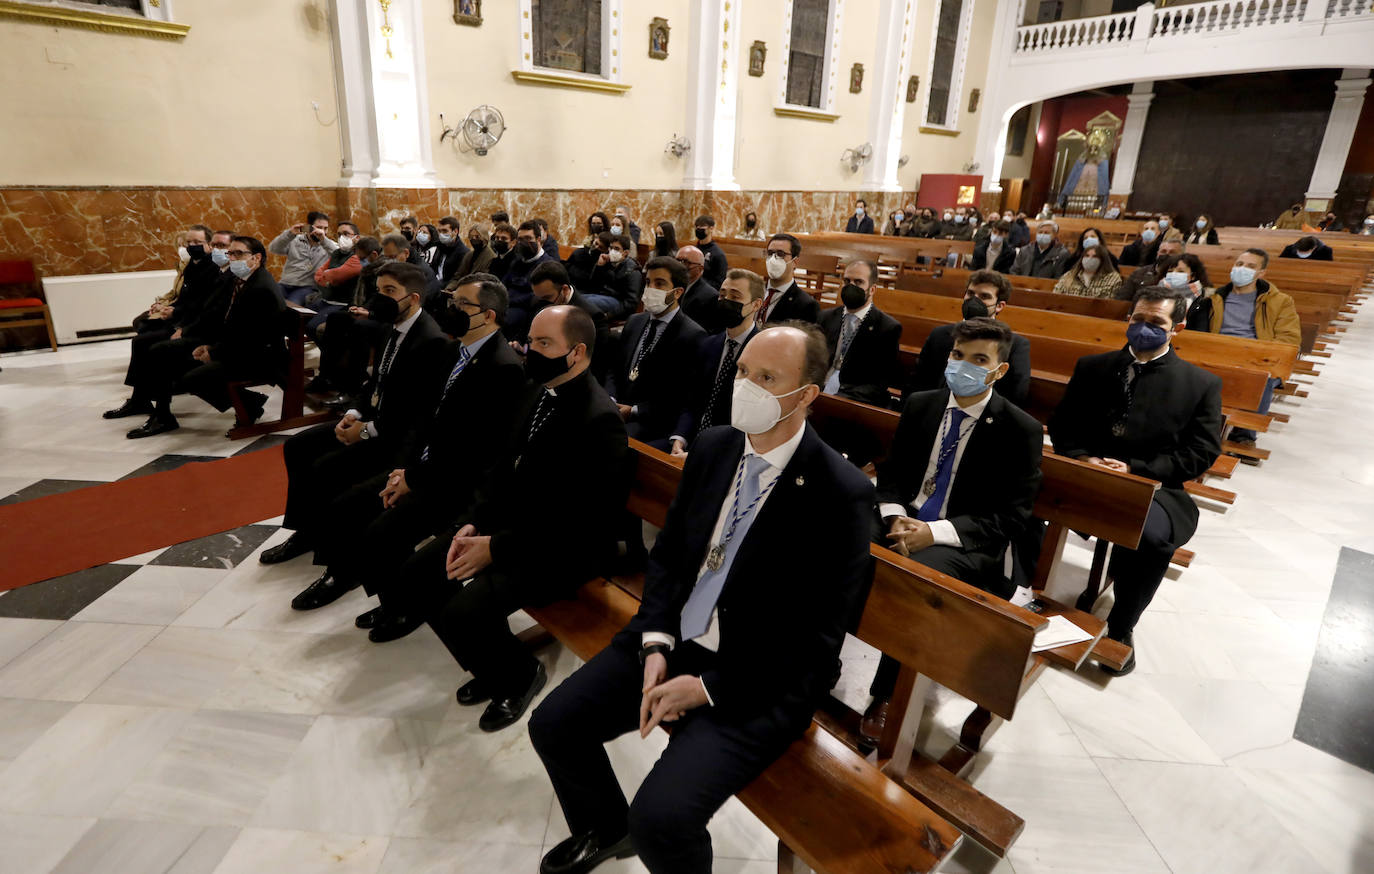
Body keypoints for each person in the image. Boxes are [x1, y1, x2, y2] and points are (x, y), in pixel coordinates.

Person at [529, 323, 873, 874]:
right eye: (743, 372)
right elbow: (669, 555)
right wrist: (656, 641)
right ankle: (603, 825)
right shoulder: (716, 447)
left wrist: (710, 688)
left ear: (807, 395)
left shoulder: (841, 493)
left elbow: (817, 638)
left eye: (767, 378)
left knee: (662, 819)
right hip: (679, 636)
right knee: (554, 725)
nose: (747, 386)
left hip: (758, 674)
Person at [399, 305, 630, 733]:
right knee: (418, 575)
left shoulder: (599, 420)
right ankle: (492, 668)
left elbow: (581, 520)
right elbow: (500, 467)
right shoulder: (537, 389)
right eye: (532, 340)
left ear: (576, 352)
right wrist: (473, 523)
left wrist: (496, 548)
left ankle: (519, 676)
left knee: (464, 612)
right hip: (510, 529)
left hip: (564, 549)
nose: (532, 350)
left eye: (545, 344)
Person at [861, 317, 1043, 742]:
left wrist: (934, 532)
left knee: (916, 577)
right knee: (841, 542)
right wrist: (892, 515)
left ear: (999, 370)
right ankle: (817, 656)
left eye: (979, 359)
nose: (963, 366)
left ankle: (887, 694)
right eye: (958, 355)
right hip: (903, 517)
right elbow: (892, 475)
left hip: (964, 540)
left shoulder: (1020, 429)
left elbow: (1011, 516)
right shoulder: (922, 404)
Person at [332, 274, 529, 642]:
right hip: (425, 467)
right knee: (353, 506)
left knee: (382, 530)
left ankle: (407, 606)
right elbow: (424, 418)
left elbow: (477, 451)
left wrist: (415, 479)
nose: (451, 310)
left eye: (461, 305)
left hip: (457, 482)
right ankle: (394, 598)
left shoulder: (503, 368)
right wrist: (401, 470)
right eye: (452, 302)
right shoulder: (454, 351)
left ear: (487, 315)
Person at [1049, 287, 1223, 675]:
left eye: (1156, 323)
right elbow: (1063, 425)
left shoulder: (1200, 384)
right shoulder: (1093, 367)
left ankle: (1123, 625)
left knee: (1151, 537)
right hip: (1086, 473)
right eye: (1138, 320)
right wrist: (1083, 458)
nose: (1144, 328)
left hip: (1153, 485)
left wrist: (1137, 471)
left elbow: (1201, 453)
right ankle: (1026, 595)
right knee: (1022, 498)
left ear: (1177, 327)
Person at [260, 261, 448, 598]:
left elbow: (417, 414)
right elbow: (375, 380)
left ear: (414, 298)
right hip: (373, 418)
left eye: (390, 291)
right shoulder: (395, 324)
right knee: (298, 447)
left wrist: (365, 431)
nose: (381, 298)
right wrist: (353, 412)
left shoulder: (430, 340)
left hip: (397, 438)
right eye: (379, 290)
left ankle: (341, 569)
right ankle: (307, 530)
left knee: (328, 469)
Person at [126, 236, 286, 438]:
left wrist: (215, 351)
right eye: (231, 253)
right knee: (169, 357)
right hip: (244, 349)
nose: (232, 258)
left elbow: (253, 338)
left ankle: (248, 403)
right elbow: (234, 327)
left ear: (256, 258)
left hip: (260, 357)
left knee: (190, 376)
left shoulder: (260, 288)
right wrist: (211, 347)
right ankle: (164, 414)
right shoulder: (247, 280)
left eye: (238, 253)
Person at [106, 226, 233, 420]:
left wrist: (183, 327)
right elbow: (188, 299)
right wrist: (170, 308)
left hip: (202, 331)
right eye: (188, 242)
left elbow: (208, 310)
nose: (191, 246)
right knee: (141, 340)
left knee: (157, 348)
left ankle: (162, 414)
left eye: (197, 242)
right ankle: (140, 400)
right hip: (191, 323)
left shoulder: (220, 271)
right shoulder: (196, 266)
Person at [1185, 248, 1299, 445]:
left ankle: (1244, 435)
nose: (1242, 269)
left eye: (1250, 266)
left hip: (1256, 358)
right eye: (1239, 264)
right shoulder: (1214, 298)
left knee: (1261, 377)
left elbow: (1288, 339)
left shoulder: (1280, 301)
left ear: (1261, 273)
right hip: (1217, 352)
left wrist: (1257, 357)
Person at [606, 256, 706, 448]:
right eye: (648, 282)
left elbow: (681, 396)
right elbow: (614, 368)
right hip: (616, 409)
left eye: (659, 284)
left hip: (652, 421)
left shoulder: (693, 335)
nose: (651, 289)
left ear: (677, 292)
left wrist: (634, 410)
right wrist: (610, 398)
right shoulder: (635, 321)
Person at [670, 268, 766, 455]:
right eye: (722, 295)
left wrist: (703, 453)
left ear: (755, 305)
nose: (725, 301)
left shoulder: (762, 352)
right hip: (691, 439)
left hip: (727, 449)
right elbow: (692, 400)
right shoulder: (708, 343)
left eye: (735, 297)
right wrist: (679, 438)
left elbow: (749, 421)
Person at [908, 270, 1031, 408]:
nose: (974, 300)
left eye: (984, 296)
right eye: (970, 294)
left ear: (999, 306)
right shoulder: (939, 335)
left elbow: (1015, 395)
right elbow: (917, 382)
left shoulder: (1015, 345)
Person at [817, 259, 901, 407]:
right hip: (818, 389)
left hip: (854, 399)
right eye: (847, 281)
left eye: (858, 282)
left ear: (872, 289)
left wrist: (841, 399)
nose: (851, 287)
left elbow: (879, 382)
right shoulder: (826, 317)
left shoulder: (887, 327)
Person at [526, 261, 612, 383]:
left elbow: (596, 367)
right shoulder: (540, 300)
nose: (542, 305)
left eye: (547, 298)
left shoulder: (593, 317)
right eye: (538, 297)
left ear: (564, 290)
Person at [501, 220, 553, 335]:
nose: (523, 243)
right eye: (520, 239)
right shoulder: (518, 261)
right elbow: (504, 284)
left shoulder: (547, 265)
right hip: (506, 305)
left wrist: (510, 300)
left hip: (525, 311)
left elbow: (537, 297)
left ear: (538, 240)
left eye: (528, 238)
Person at [269, 212, 333, 305]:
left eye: (325, 228)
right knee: (266, 302)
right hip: (285, 284)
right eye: (319, 227)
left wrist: (324, 240)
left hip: (308, 288)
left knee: (291, 307)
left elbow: (339, 255)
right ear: (309, 227)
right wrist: (289, 234)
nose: (322, 231)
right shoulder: (294, 240)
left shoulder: (328, 245)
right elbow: (274, 249)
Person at [580, 232, 645, 320]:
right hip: (604, 296)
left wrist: (608, 315)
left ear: (625, 253)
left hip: (618, 302)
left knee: (585, 303)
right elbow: (592, 285)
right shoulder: (609, 262)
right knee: (577, 298)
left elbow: (631, 303)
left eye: (617, 248)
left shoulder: (633, 271)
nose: (612, 251)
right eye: (611, 248)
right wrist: (599, 266)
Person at [758, 233, 820, 325]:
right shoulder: (755, 291)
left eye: (780, 254)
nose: (773, 259)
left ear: (795, 262)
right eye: (770, 253)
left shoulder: (806, 305)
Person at [1115, 238, 1184, 301]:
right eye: (1163, 251)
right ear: (1157, 254)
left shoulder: (1183, 276)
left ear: (1182, 255)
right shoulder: (1140, 273)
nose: (1167, 255)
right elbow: (1122, 298)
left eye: (1172, 252)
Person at [1053, 242, 1122, 299]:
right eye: (1087, 256)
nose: (1089, 259)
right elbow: (1055, 296)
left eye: (1095, 256)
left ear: (1103, 260)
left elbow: (1109, 304)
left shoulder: (1113, 279)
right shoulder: (1069, 275)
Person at [674, 245, 718, 328]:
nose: (679, 266)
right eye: (677, 261)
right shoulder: (670, 286)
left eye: (686, 262)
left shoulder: (710, 296)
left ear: (700, 269)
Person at [431, 216, 471, 286]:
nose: (441, 234)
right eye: (439, 231)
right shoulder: (440, 246)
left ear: (455, 231)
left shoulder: (463, 252)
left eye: (445, 231)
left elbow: (457, 278)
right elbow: (433, 268)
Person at [692, 215, 729, 286]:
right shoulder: (694, 249)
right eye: (697, 226)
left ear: (711, 228)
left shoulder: (718, 254)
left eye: (702, 226)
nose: (698, 228)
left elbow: (719, 282)